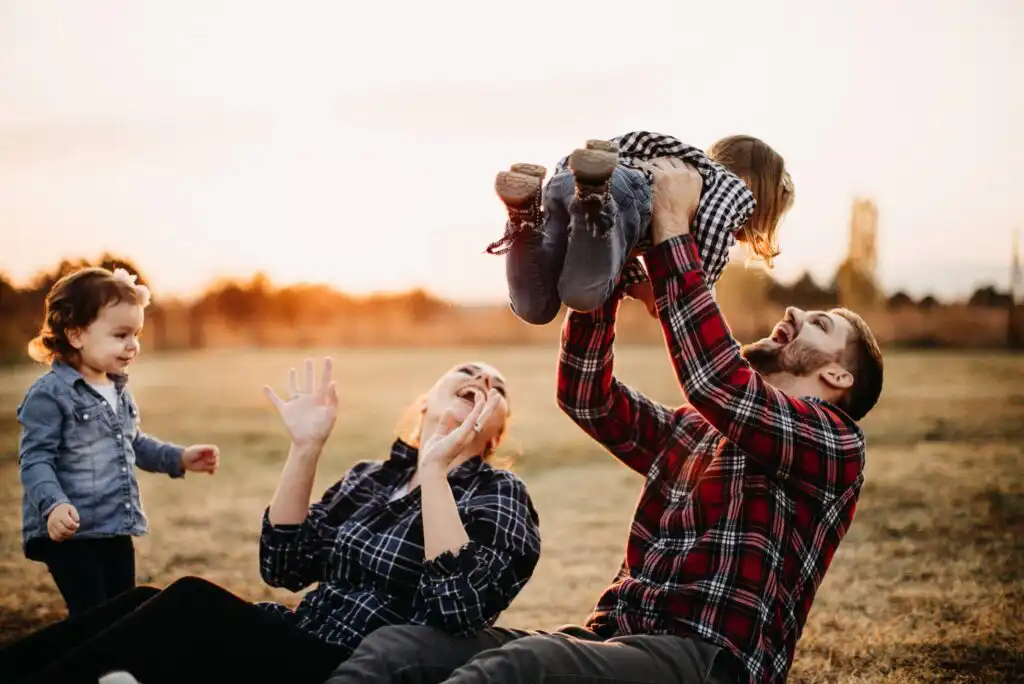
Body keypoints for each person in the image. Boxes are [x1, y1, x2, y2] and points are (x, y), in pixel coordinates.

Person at [325, 157, 884, 684]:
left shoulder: (835, 445)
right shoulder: (696, 431)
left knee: (520, 669)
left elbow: (716, 380)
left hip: (708, 660)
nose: (794, 312)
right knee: (402, 649)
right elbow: (587, 398)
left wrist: (672, 228)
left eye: (821, 325)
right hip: (615, 640)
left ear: (838, 376)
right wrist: (607, 272)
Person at [0, 357, 542, 684]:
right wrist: (304, 448)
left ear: (496, 432)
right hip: (295, 634)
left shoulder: (501, 495)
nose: (481, 379)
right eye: (466, 372)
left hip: (354, 665)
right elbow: (284, 564)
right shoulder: (371, 477)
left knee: (190, 602)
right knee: (141, 602)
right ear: (424, 404)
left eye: (496, 387)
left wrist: (437, 472)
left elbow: (455, 608)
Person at [16, 266, 221, 617]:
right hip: (70, 531)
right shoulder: (50, 394)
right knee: (93, 614)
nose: (133, 345)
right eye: (120, 334)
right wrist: (54, 505)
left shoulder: (117, 388)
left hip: (114, 526)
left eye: (136, 334)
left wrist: (180, 458)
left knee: (122, 612)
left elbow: (133, 442)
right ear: (76, 335)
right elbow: (36, 460)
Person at [486, 131, 794, 324]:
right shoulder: (727, 185)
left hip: (565, 185)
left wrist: (643, 288)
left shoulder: (670, 155)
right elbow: (714, 227)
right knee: (582, 296)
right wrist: (698, 293)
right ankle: (593, 200)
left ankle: (523, 216)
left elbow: (618, 250)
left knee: (535, 308)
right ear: (754, 186)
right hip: (623, 193)